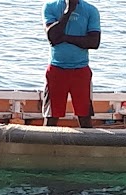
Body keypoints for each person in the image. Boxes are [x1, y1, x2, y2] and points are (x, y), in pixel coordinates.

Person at [42, 0, 101, 128]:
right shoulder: (50, 7)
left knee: (85, 117)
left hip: (80, 70)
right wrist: (68, 11)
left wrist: (64, 38)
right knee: (51, 117)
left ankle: (86, 146)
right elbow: (52, 36)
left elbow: (94, 42)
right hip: (57, 69)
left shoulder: (90, 10)